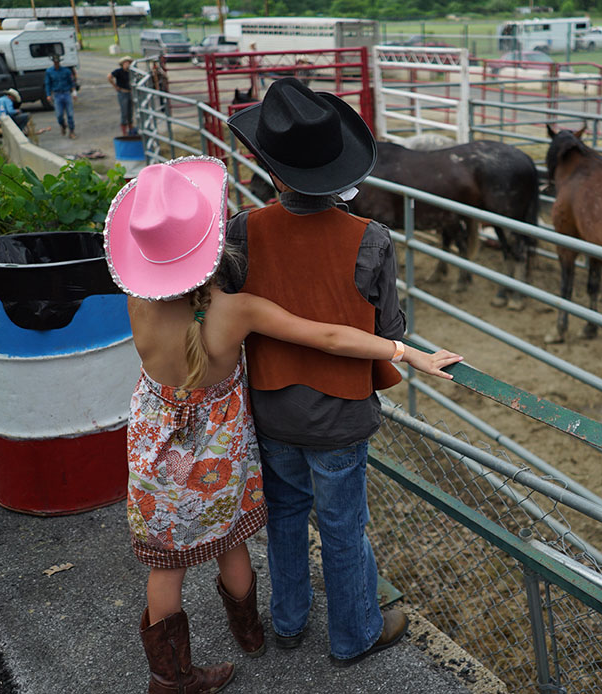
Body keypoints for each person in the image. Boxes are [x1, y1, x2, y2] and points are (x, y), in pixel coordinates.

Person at [104, 155, 462, 692]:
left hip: (166, 445)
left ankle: (192, 665)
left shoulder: (138, 302)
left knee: (177, 560)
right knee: (260, 536)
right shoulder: (237, 311)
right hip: (232, 449)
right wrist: (404, 353)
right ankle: (278, 635)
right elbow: (330, 337)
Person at [224, 77, 417, 666]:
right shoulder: (371, 239)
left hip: (272, 409)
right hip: (339, 414)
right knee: (342, 526)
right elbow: (388, 330)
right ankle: (355, 633)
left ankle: (287, 620)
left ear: (274, 172)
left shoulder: (243, 231)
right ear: (337, 172)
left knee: (283, 514)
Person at [44, 54, 76, 138]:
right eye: (55, 62)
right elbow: (48, 84)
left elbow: (71, 82)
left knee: (70, 114)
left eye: (57, 62)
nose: (56, 63)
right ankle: (63, 124)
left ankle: (72, 131)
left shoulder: (66, 71)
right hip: (57, 94)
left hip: (66, 93)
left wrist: (74, 92)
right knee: (59, 115)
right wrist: (48, 94)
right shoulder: (49, 71)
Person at [108, 55, 134, 135]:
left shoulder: (131, 72)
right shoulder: (118, 71)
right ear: (122, 64)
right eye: (126, 63)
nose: (127, 64)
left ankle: (130, 128)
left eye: (128, 63)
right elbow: (109, 77)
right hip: (123, 92)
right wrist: (115, 86)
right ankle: (124, 130)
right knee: (124, 111)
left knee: (130, 111)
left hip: (130, 92)